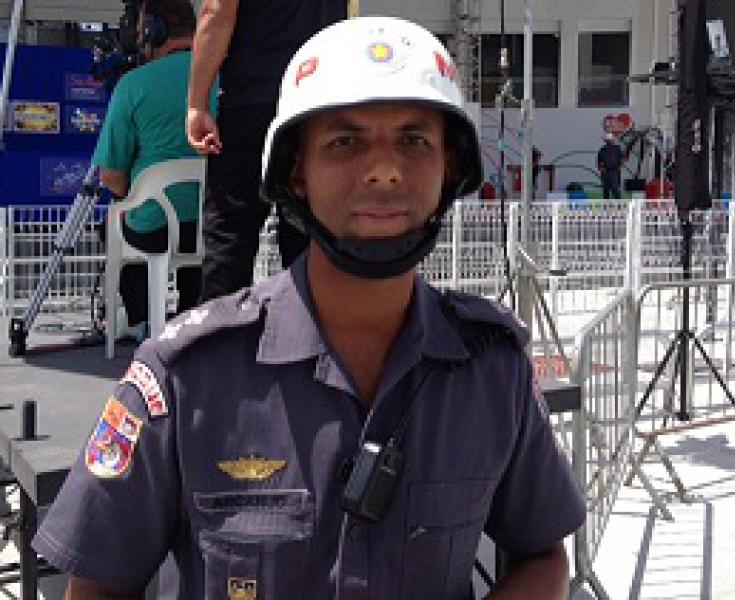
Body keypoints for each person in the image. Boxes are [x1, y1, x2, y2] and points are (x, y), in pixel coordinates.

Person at [34, 17, 585, 598]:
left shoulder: (492, 370)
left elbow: (543, 555)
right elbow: (97, 588)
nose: (384, 170)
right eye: (345, 142)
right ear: (296, 170)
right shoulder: (184, 377)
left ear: (450, 165)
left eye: (414, 140)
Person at [186, 0, 347, 302]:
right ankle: (313, 327)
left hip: (252, 98)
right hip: (317, 100)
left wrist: (197, 104)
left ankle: (223, 330)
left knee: (231, 233)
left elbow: (217, 12)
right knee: (312, 231)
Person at [95, 0, 216, 337]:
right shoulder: (224, 79)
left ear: (153, 31)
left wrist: (132, 190)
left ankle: (144, 322)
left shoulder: (133, 84)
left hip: (154, 228)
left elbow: (111, 177)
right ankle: (191, 320)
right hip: (213, 223)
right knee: (197, 238)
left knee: (116, 223)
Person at [597, 132, 625, 199]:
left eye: (610, 140)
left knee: (615, 189)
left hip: (614, 171)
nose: (609, 141)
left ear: (612, 140)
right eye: (607, 140)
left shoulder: (617, 148)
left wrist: (620, 166)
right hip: (605, 172)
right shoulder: (602, 150)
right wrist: (600, 168)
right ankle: (606, 205)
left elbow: (622, 158)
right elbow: (599, 161)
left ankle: (618, 204)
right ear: (605, 141)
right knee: (606, 190)